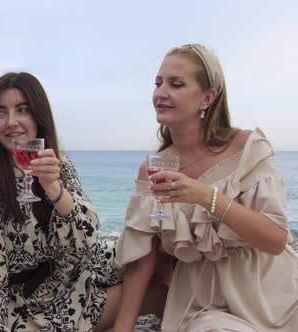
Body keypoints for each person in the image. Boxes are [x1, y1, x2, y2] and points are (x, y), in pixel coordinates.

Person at [0, 72, 164, 331]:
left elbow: (86, 242)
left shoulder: (58, 162)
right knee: (154, 293)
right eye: (0, 113)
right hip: (28, 305)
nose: (11, 122)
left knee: (149, 253)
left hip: (69, 273)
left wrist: (54, 188)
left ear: (38, 115)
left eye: (22, 110)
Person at [114, 43, 298, 331]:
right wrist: (122, 328)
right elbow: (142, 257)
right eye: (158, 83)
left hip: (273, 295)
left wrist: (206, 196)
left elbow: (275, 239)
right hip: (202, 303)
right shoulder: (154, 167)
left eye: (176, 84)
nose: (160, 93)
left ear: (207, 97)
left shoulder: (247, 148)